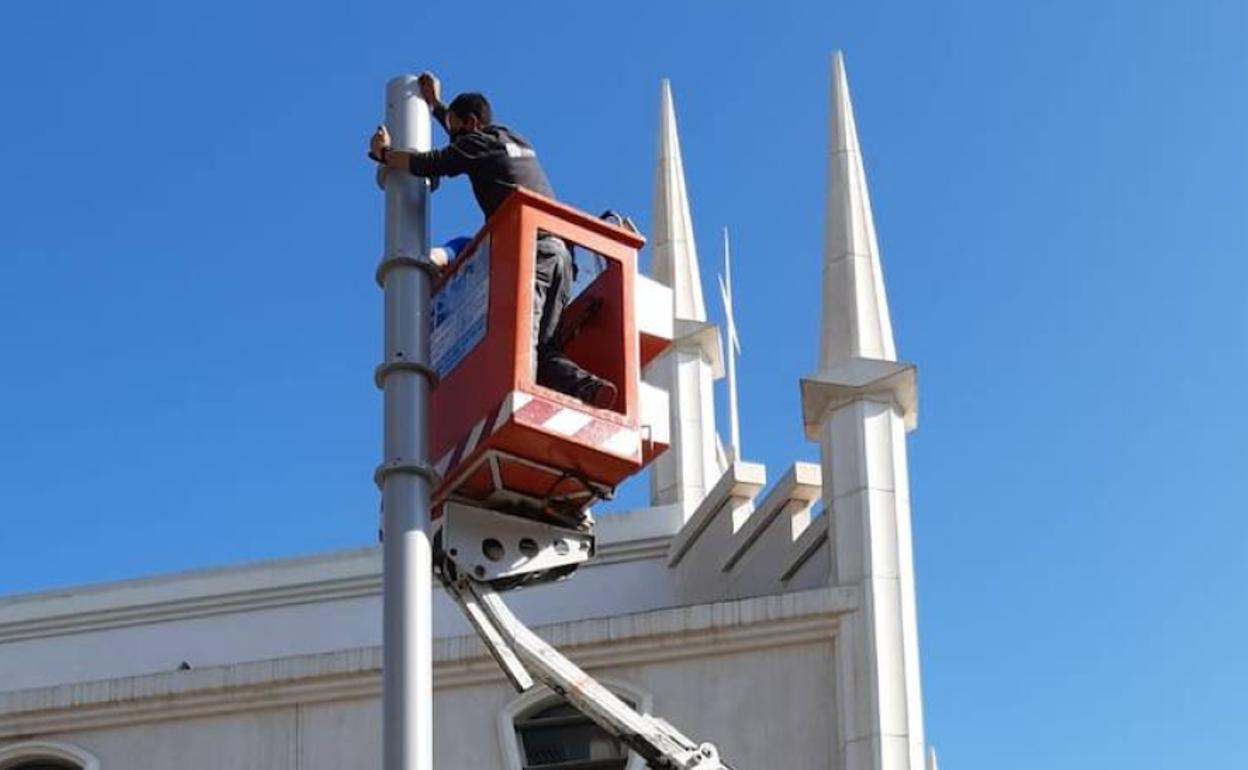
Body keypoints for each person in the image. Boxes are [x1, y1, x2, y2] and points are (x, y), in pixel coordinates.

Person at [368, 72, 617, 410]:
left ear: (471, 122)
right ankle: (589, 388)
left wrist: (385, 155)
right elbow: (466, 143)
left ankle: (525, 401)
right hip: (560, 255)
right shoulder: (512, 139)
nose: (453, 136)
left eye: (455, 128)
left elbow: (433, 163)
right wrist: (437, 106)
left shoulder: (477, 143)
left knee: (523, 338)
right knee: (546, 350)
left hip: (533, 253)